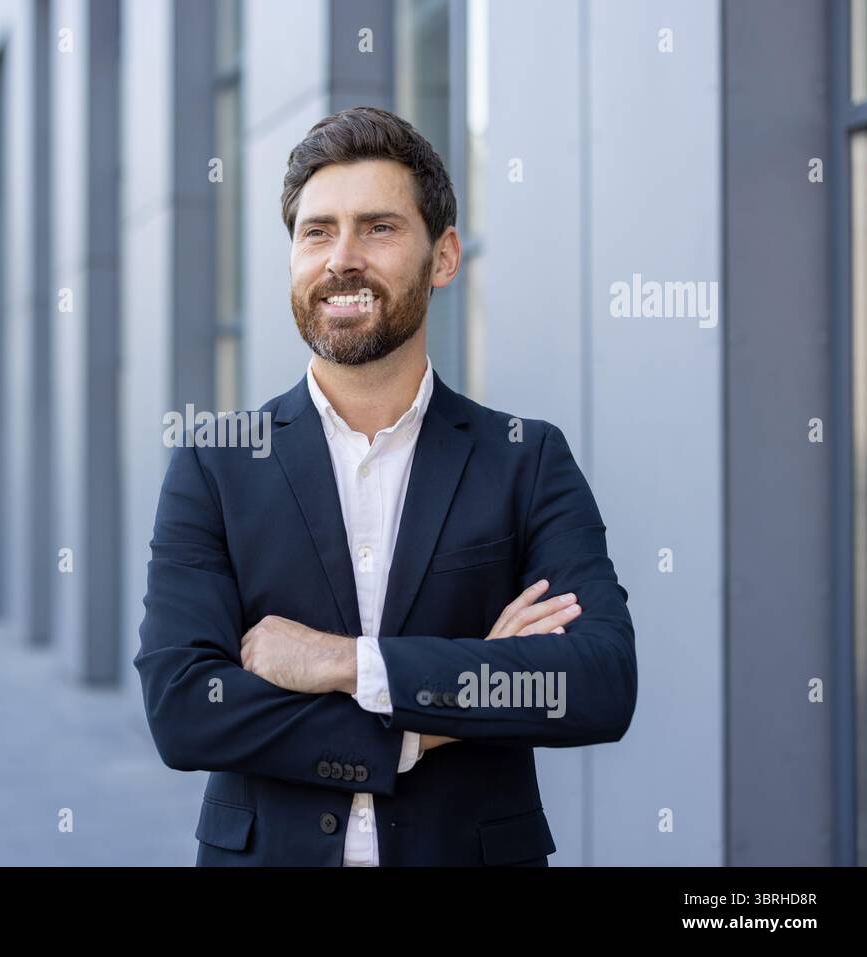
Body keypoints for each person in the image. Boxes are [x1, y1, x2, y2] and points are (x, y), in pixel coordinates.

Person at [134, 106, 636, 866]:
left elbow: (595, 680)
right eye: (317, 231)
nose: (342, 258)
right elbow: (185, 710)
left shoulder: (524, 459)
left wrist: (344, 663)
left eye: (378, 228)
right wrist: (442, 707)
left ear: (443, 256)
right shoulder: (216, 463)